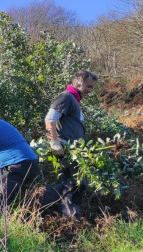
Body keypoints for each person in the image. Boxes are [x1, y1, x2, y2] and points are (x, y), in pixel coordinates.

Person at [37, 70, 98, 219]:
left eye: (92, 88)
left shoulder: (74, 101)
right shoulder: (66, 97)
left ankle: (69, 216)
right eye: (88, 86)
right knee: (73, 183)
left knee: (76, 183)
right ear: (78, 83)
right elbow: (50, 119)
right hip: (65, 149)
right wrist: (54, 143)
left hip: (75, 151)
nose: (90, 91)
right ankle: (37, 201)